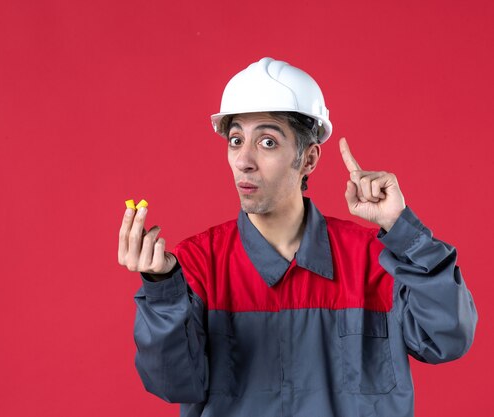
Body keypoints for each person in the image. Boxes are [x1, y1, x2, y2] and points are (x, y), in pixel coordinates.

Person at [117, 57, 477, 417]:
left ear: (308, 159)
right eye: (236, 139)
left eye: (268, 142)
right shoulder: (197, 264)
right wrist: (162, 289)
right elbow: (173, 383)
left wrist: (404, 233)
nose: (244, 160)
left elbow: (447, 339)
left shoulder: (374, 259)